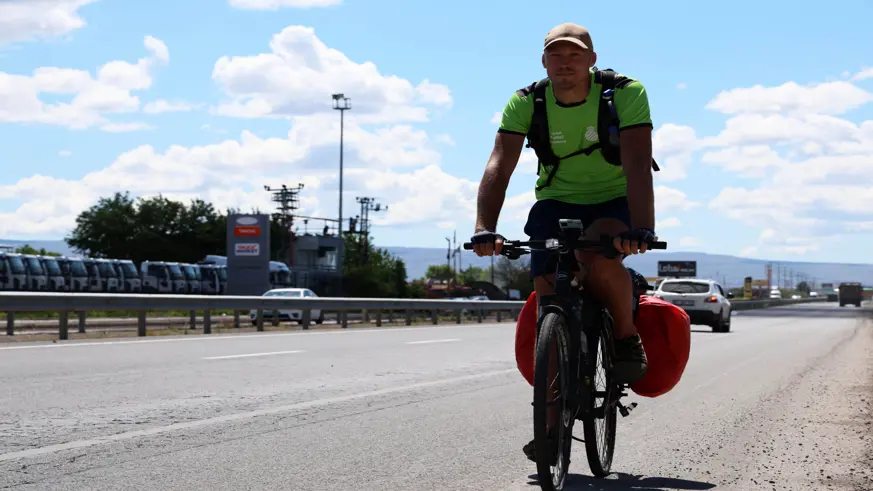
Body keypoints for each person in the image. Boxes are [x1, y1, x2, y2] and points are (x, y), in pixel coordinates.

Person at [469, 22, 658, 462]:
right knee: (547, 295)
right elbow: (500, 162)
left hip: (613, 198)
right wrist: (484, 227)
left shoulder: (624, 93)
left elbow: (636, 162)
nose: (565, 62)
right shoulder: (527, 101)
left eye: (574, 55)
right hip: (555, 201)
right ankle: (551, 430)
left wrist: (642, 228)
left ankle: (626, 336)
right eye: (556, 55)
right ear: (544, 62)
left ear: (591, 60)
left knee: (601, 255)